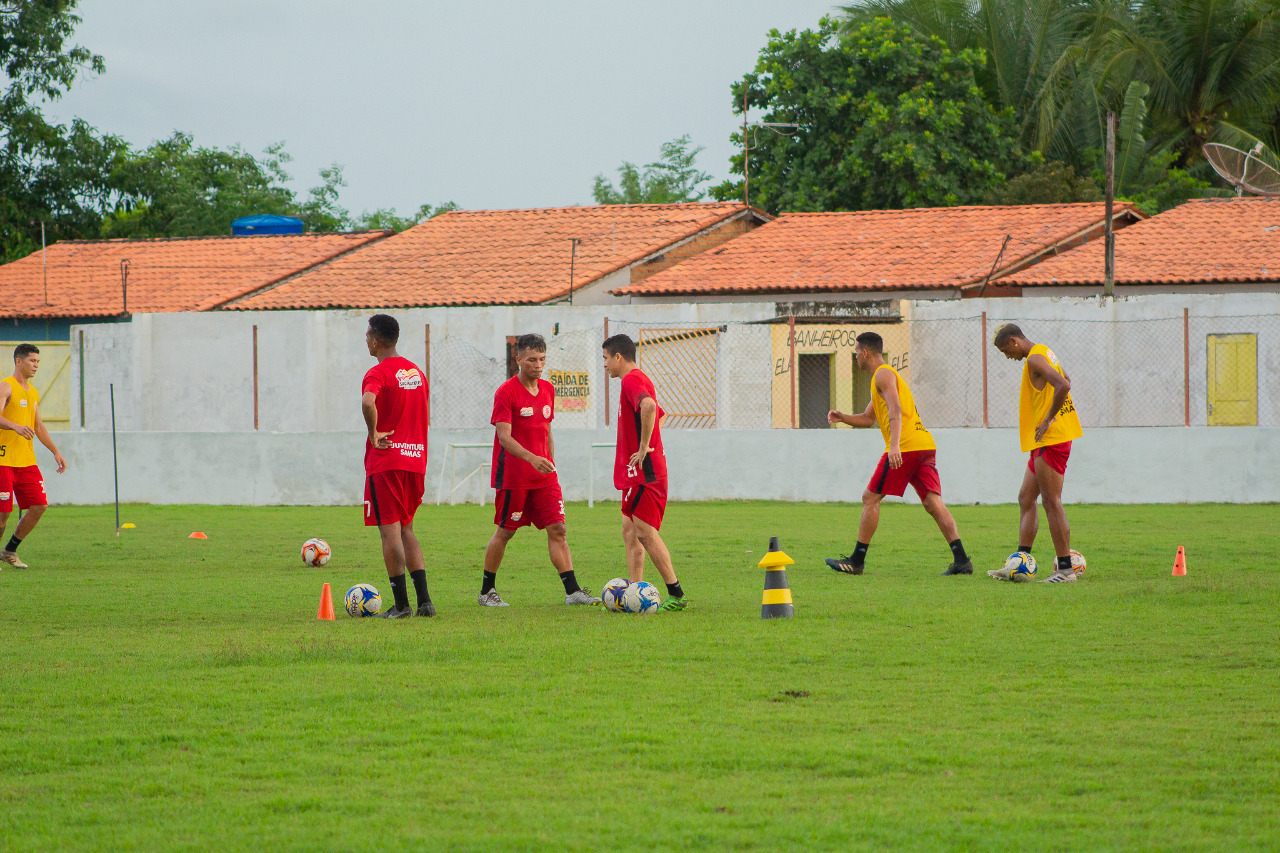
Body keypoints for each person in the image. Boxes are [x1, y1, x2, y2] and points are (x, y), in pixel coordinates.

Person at [823, 332, 973, 577]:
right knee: (933, 503)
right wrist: (843, 418)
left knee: (870, 498)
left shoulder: (882, 374)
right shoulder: (883, 379)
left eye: (856, 353)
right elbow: (869, 419)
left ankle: (856, 561)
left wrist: (894, 446)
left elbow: (895, 407)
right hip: (924, 444)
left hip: (906, 446)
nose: (855, 358)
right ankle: (961, 560)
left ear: (865, 353)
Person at [480, 334, 600, 607]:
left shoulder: (547, 389)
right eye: (532, 359)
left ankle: (573, 592)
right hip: (514, 476)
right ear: (518, 359)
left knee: (558, 528)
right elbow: (504, 438)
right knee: (506, 531)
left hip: (544, 477)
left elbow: (547, 432)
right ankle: (486, 591)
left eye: (543, 359)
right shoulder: (506, 392)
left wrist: (550, 465)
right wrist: (532, 458)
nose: (538, 365)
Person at [991, 324, 1084, 584]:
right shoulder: (1045, 351)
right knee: (1026, 497)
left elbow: (1063, 385)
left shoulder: (1033, 357)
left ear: (1013, 341)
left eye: (1005, 351)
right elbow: (1067, 377)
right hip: (1045, 440)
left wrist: (1048, 419)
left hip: (1052, 440)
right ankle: (1020, 562)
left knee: (1051, 502)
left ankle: (1065, 569)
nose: (1007, 356)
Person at [602, 334, 687, 611]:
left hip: (645, 472)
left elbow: (649, 407)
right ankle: (634, 593)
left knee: (645, 532)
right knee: (629, 529)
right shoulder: (635, 380)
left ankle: (676, 594)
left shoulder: (631, 380)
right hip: (635, 471)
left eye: (605, 359)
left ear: (618, 357)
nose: (605, 365)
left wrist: (644, 447)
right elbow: (659, 413)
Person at [361, 314, 435, 617]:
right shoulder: (416, 372)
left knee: (389, 533)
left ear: (376, 340)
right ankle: (425, 602)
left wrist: (373, 433)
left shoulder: (378, 373)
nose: (366, 339)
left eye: (367, 335)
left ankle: (402, 604)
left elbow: (368, 402)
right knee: (407, 529)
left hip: (387, 461)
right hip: (415, 461)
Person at [0, 344, 67, 569]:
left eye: (38, 361)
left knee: (39, 505)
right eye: (32, 361)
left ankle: (9, 550)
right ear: (19, 362)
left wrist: (55, 451)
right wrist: (15, 427)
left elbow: (38, 427)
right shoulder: (5, 387)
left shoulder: (33, 392)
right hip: (3, 460)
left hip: (26, 462)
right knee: (3, 512)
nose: (36, 365)